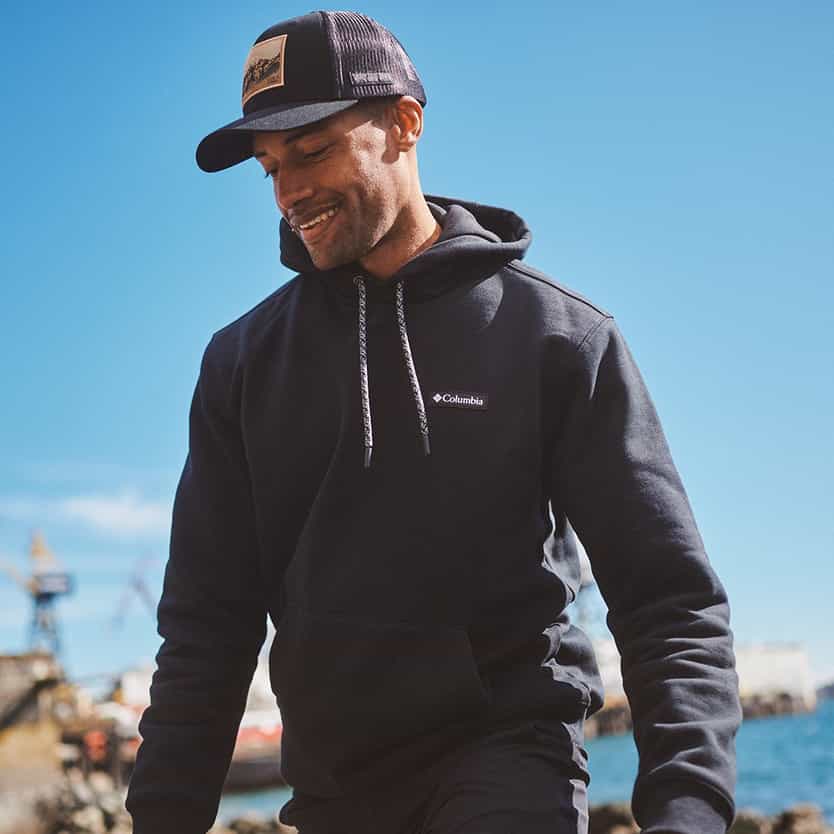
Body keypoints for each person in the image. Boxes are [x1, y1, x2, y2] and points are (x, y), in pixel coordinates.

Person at [125, 10, 742, 834]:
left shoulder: (557, 338)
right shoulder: (241, 365)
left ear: (405, 124)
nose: (288, 191)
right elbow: (207, 626)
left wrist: (690, 812)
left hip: (510, 757)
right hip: (334, 789)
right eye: (270, 167)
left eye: (310, 150)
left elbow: (667, 599)